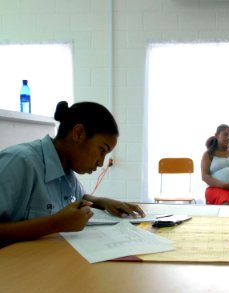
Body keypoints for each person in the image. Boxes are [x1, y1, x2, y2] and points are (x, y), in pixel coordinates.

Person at [0, 101, 145, 248]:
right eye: (102, 150)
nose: (101, 163)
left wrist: (103, 202)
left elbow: (80, 197)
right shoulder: (19, 162)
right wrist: (54, 224)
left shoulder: (65, 168)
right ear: (78, 133)